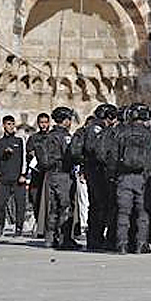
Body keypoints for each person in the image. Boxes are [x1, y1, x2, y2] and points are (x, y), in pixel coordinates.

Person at [114, 103, 151, 254]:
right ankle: (141, 244)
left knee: (123, 212)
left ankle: (122, 244)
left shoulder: (121, 133)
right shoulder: (149, 134)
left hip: (124, 177)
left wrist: (114, 175)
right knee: (143, 213)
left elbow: (113, 156)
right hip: (143, 179)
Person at [71, 103, 117, 250]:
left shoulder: (90, 127)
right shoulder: (98, 129)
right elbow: (95, 149)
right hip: (98, 171)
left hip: (92, 170)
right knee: (100, 205)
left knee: (96, 205)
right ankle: (96, 238)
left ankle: (95, 237)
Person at [40, 107, 79, 250]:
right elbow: (71, 154)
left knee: (53, 207)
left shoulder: (49, 135)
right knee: (66, 207)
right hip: (63, 174)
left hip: (51, 175)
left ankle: (50, 238)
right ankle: (65, 239)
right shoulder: (64, 136)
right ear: (66, 120)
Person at [0, 115, 27, 237]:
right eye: (8, 124)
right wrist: (4, 154)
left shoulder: (19, 141)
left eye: (12, 124)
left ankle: (19, 228)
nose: (11, 127)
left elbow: (24, 158)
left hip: (18, 178)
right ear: (4, 125)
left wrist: (23, 174)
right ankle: (1, 225)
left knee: (20, 204)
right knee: (1, 204)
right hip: (4, 178)